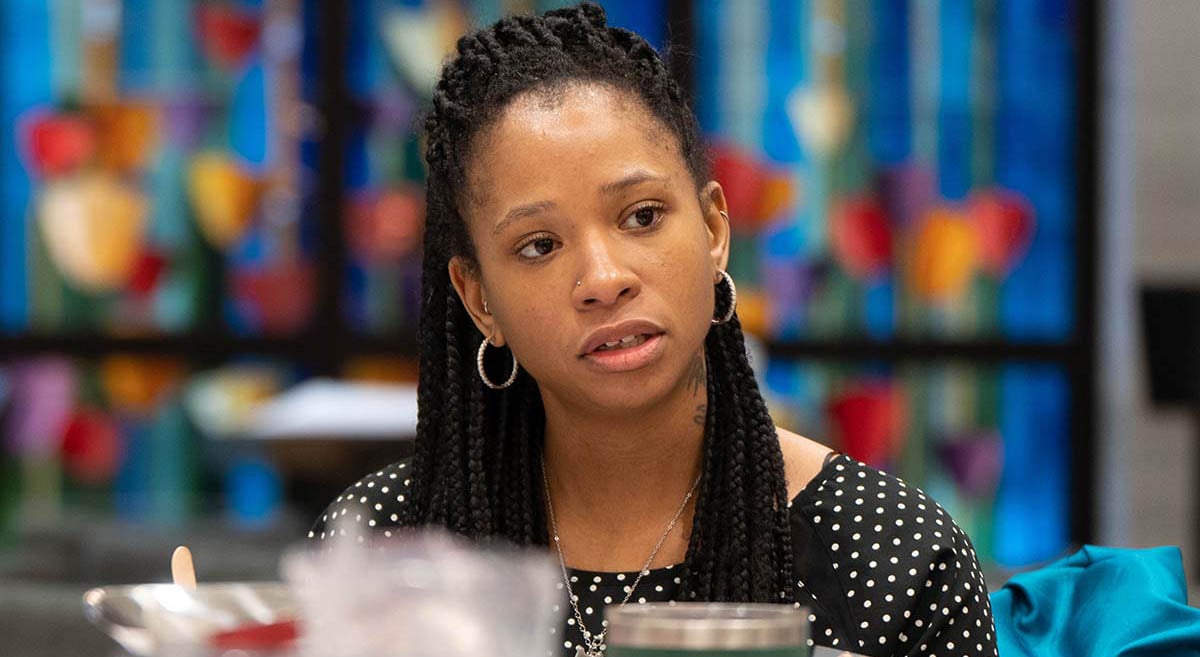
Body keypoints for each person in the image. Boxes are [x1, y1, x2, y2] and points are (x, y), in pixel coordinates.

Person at [310, 4, 997, 656]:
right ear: (479, 297)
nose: (604, 278)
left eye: (641, 216)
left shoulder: (891, 555)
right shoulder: (379, 549)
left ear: (714, 229)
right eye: (539, 245)